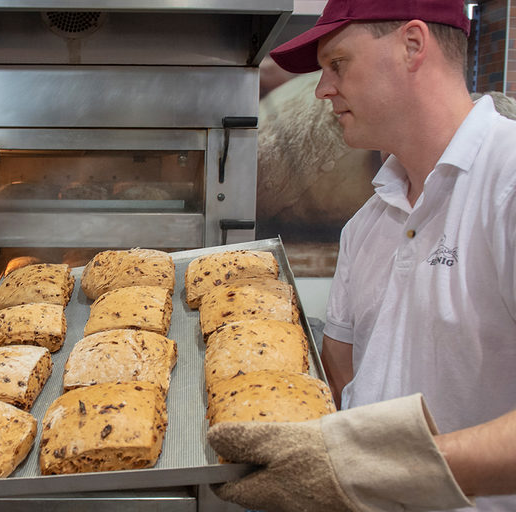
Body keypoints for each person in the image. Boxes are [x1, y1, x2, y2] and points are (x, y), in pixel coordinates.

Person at [207, 0, 516, 511]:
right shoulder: (367, 225)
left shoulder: (505, 183)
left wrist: (374, 469)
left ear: (412, 45)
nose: (323, 89)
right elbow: (341, 377)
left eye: (337, 64)